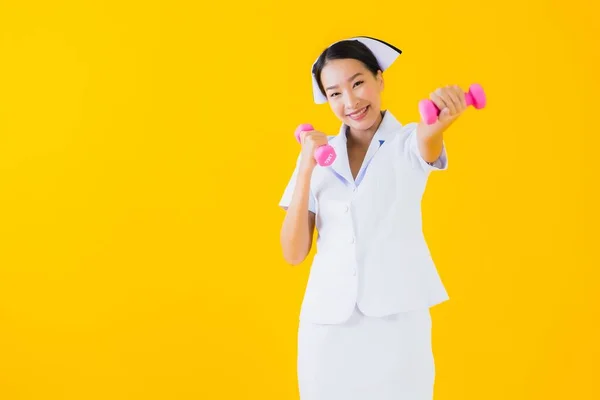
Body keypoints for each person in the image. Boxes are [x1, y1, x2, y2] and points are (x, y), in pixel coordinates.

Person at [278, 36, 468, 400]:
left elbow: (428, 140)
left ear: (379, 79)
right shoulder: (319, 155)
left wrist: (442, 119)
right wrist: (305, 168)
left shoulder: (408, 141)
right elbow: (293, 253)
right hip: (327, 329)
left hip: (396, 323)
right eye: (334, 93)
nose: (350, 102)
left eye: (358, 83)